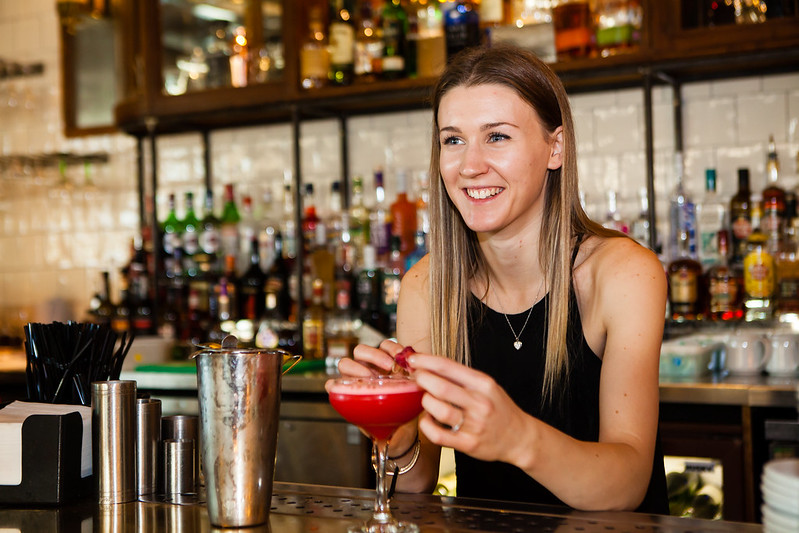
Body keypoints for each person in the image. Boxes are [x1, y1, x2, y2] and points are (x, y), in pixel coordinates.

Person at [337, 44, 669, 513]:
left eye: (496, 137)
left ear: (555, 147)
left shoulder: (622, 274)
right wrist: (396, 426)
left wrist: (517, 438)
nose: (469, 165)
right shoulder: (426, 285)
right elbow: (415, 485)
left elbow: (628, 484)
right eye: (453, 140)